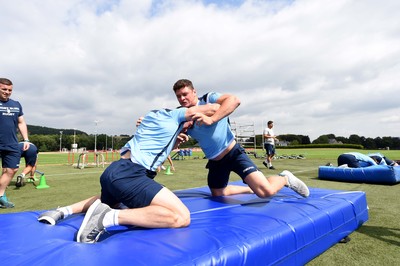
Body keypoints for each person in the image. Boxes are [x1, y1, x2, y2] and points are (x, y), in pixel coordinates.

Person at [38, 103, 219, 244]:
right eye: (192, 122)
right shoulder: (176, 116)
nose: (192, 126)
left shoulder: (155, 120)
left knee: (106, 200)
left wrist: (176, 140)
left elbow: (157, 150)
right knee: (181, 216)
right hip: (131, 174)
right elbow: (216, 107)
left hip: (115, 173)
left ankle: (61, 212)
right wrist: (207, 116)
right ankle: (108, 217)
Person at [172, 79, 309, 199]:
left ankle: (284, 178)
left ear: (194, 92)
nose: (182, 99)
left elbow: (234, 100)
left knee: (266, 192)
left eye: (185, 94)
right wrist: (178, 139)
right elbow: (172, 141)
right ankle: (250, 188)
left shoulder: (208, 98)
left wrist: (211, 119)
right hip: (215, 161)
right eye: (178, 96)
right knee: (218, 193)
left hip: (233, 153)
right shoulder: (182, 114)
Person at [0, 78, 30, 208]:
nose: (7, 92)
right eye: (4, 89)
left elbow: (21, 122)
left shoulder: (16, 104)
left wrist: (26, 139)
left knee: (12, 170)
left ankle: (1, 195)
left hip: (11, 143)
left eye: (10, 90)